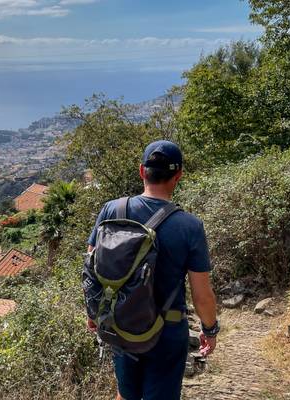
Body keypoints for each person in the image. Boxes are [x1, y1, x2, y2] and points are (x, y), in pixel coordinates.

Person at [86, 140, 219, 400]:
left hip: (121, 324)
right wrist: (210, 329)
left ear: (141, 172)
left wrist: (94, 313)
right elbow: (202, 294)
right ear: (178, 176)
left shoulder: (113, 210)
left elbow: (91, 268)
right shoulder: (190, 226)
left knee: (125, 396)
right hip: (167, 332)